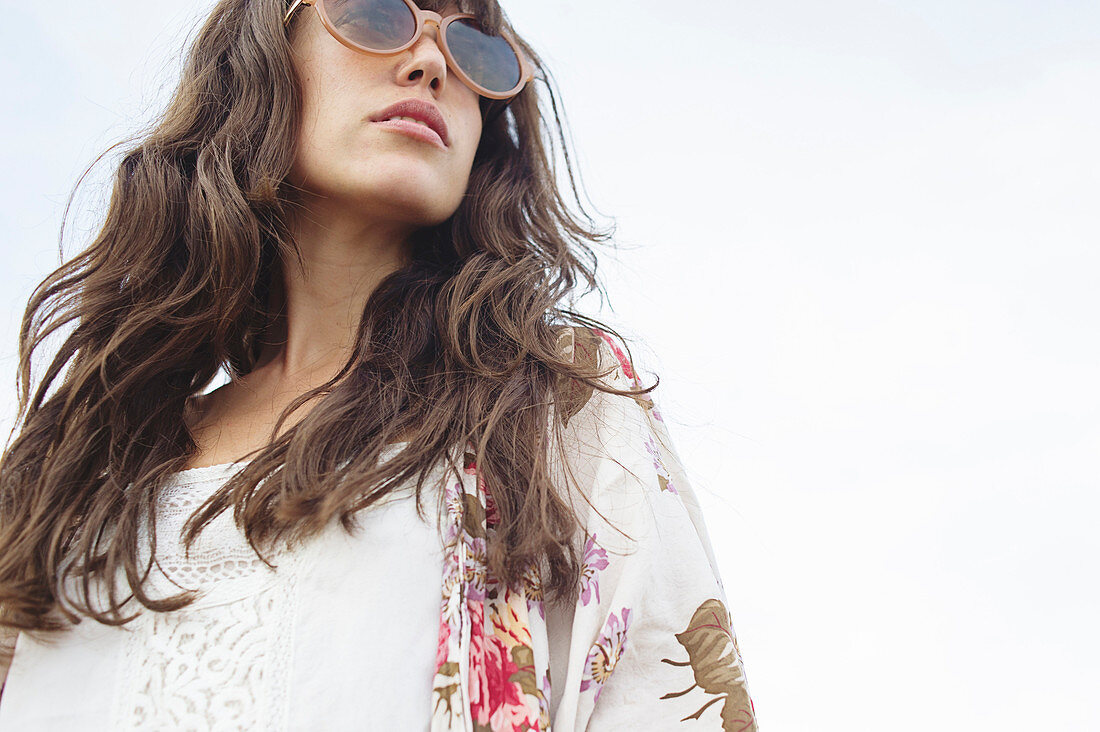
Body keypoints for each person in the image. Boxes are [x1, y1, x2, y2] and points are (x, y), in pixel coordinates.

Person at [0, 0, 758, 729]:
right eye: (372, 14)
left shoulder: (549, 403)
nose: (431, 62)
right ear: (262, 58)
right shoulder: (74, 468)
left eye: (475, 52)